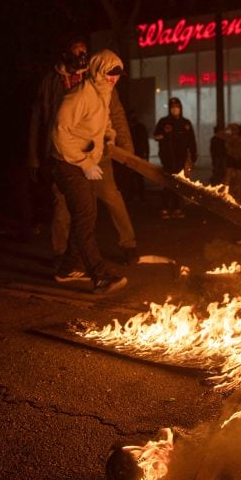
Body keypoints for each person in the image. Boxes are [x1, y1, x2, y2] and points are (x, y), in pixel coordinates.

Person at [28, 35, 139, 266]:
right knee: (63, 203)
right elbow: (43, 122)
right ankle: (62, 254)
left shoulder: (101, 76)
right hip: (65, 153)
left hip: (97, 152)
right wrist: (35, 157)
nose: (82, 56)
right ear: (66, 54)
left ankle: (128, 244)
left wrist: (126, 150)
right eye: (76, 52)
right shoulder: (53, 83)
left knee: (110, 195)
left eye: (84, 51)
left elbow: (114, 114)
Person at [50, 49, 127, 293]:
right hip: (68, 164)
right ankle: (99, 276)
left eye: (118, 73)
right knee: (84, 218)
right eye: (110, 72)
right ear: (98, 70)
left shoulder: (104, 94)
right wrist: (84, 162)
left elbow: (104, 124)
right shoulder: (80, 95)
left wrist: (109, 138)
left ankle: (67, 270)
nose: (114, 77)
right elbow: (59, 132)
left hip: (83, 163)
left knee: (87, 216)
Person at [154, 97, 197, 218]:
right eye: (173, 107)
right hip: (167, 158)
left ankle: (177, 208)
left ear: (180, 108)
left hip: (181, 159)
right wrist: (162, 136)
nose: (175, 109)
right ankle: (164, 208)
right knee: (168, 183)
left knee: (179, 183)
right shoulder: (164, 122)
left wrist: (193, 156)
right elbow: (156, 135)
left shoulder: (186, 123)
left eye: (177, 107)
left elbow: (191, 141)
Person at [125, 110, 150, 202]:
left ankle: (140, 196)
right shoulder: (129, 128)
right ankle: (132, 195)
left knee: (138, 177)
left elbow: (145, 143)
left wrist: (146, 155)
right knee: (131, 177)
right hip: (131, 155)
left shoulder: (140, 128)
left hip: (138, 155)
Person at [224, 123, 241, 199]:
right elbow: (218, 134)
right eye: (233, 129)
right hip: (232, 159)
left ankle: (237, 193)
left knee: (238, 178)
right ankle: (227, 192)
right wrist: (227, 128)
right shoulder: (229, 137)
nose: (234, 131)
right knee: (229, 177)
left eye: (235, 129)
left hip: (238, 159)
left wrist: (238, 154)